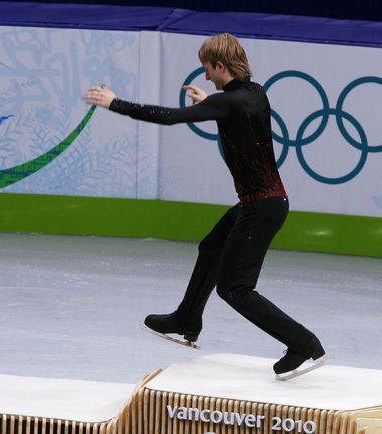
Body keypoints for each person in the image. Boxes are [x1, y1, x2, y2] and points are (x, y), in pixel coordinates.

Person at [82, 33, 325, 376]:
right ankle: (186, 319)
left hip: (260, 207)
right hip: (263, 202)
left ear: (220, 66)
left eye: (207, 70)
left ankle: (303, 343)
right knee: (211, 247)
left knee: (235, 289)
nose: (206, 76)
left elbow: (169, 117)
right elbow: (236, 112)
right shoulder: (255, 93)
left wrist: (115, 103)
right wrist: (209, 100)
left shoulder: (227, 103)